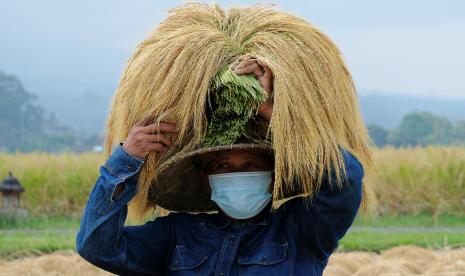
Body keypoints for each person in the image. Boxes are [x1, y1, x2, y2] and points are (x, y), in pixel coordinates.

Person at [76, 59, 364, 275]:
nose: (238, 173)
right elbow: (97, 247)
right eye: (224, 165)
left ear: (273, 175)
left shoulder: (301, 230)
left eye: (250, 164)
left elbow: (346, 178)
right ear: (206, 178)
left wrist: (275, 115)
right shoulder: (176, 235)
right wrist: (128, 157)